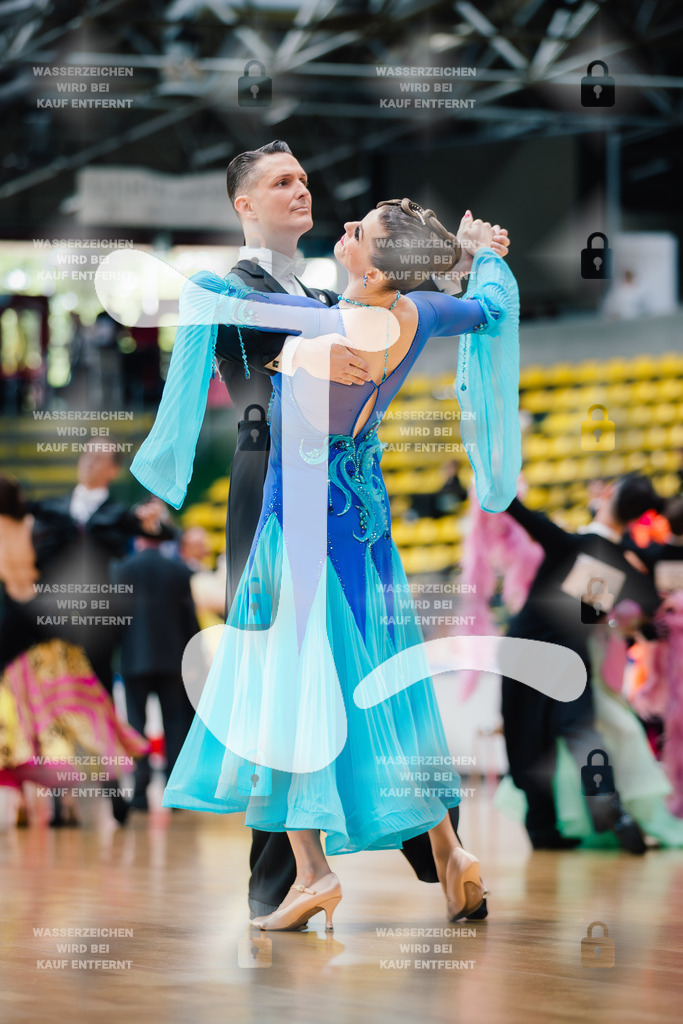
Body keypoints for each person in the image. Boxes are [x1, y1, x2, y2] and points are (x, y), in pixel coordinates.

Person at [131, 196, 521, 931]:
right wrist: (480, 258)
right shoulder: (417, 315)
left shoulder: (329, 324)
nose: (344, 228)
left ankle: (313, 874)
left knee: (285, 701)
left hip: (301, 535)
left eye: (358, 231)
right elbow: (490, 309)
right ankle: (450, 854)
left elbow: (216, 301)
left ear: (372, 269)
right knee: (385, 695)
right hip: (368, 539)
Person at [499, 476, 663, 853]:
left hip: (524, 650)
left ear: (608, 494)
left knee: (528, 739)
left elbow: (512, 506)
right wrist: (614, 621)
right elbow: (643, 613)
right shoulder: (625, 563)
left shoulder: (566, 541)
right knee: (579, 729)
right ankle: (604, 797)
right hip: (569, 655)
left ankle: (542, 827)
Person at [0, 477, 150, 826]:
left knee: (41, 720)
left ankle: (61, 806)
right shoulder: (36, 525)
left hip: (18, 630)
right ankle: (106, 791)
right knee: (80, 712)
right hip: (49, 624)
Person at [112, 536, 200, 810]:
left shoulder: (122, 570)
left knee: (136, 726)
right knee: (175, 725)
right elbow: (189, 616)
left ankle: (140, 792)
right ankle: (175, 793)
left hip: (134, 659)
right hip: (172, 660)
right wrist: (194, 660)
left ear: (138, 539)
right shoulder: (178, 570)